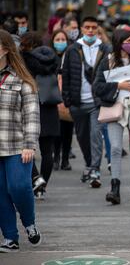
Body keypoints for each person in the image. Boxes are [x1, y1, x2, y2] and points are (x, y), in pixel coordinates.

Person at [0, 29, 41, 252]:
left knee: (18, 187)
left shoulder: (21, 80)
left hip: (16, 145)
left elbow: (32, 115)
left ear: (6, 49)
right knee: (0, 194)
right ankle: (10, 237)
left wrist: (29, 144)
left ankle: (29, 223)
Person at [93, 29, 130, 204]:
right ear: (118, 43)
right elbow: (97, 86)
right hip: (115, 108)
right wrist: (118, 86)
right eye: (127, 41)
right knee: (115, 148)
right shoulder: (108, 61)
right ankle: (115, 187)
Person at [62, 16, 111, 187]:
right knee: (82, 137)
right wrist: (68, 100)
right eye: (87, 27)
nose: (90, 30)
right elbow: (66, 75)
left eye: (93, 27)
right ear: (82, 29)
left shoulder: (105, 49)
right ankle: (89, 164)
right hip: (77, 101)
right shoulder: (72, 49)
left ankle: (95, 169)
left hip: (97, 102)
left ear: (98, 29)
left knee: (95, 135)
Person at [20, 32, 60, 200]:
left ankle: (36, 179)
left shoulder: (25, 59)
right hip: (50, 107)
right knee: (47, 151)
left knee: (26, 146)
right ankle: (42, 187)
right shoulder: (52, 58)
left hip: (31, 105)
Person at [50, 29, 74, 171]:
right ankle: (56, 157)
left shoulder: (70, 56)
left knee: (68, 129)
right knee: (56, 130)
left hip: (67, 97)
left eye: (63, 39)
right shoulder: (50, 57)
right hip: (53, 99)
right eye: (57, 40)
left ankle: (65, 158)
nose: (60, 42)